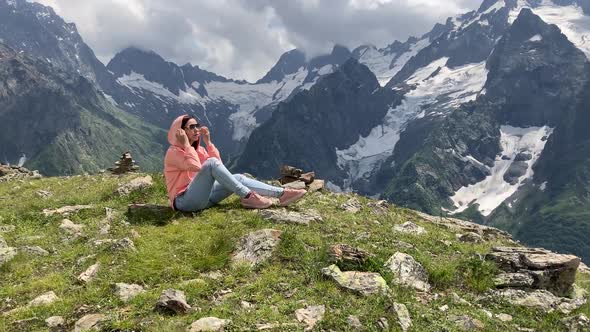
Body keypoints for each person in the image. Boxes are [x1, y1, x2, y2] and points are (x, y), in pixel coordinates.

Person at [164, 115, 306, 212]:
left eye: (197, 126)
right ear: (181, 131)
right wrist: (186, 145)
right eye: (191, 127)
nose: (196, 129)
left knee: (238, 177)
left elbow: (219, 167)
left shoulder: (198, 150)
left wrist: (208, 143)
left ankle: (282, 194)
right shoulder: (174, 152)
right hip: (184, 202)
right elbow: (195, 166)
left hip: (204, 199)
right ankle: (248, 197)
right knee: (211, 162)